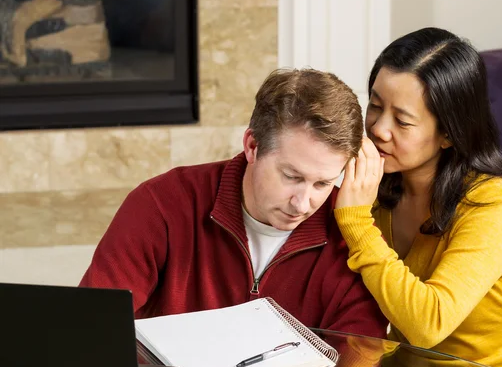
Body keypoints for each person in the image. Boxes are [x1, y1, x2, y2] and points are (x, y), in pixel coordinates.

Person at [79, 68, 387, 340]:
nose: (302, 203)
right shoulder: (160, 205)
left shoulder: (351, 241)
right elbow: (90, 327)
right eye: (291, 176)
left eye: (322, 183)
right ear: (252, 146)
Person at [334, 27, 502, 367]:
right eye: (375, 105)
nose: (379, 129)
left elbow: (427, 322)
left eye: (402, 120)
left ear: (449, 132)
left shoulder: (493, 203)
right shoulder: (378, 184)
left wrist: (355, 223)